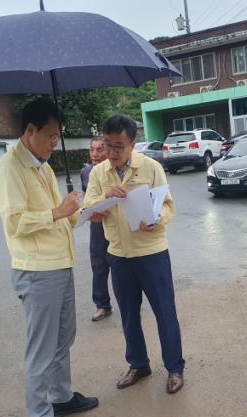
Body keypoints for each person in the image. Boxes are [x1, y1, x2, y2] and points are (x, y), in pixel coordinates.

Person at [0, 98, 98, 417]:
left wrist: (84, 210)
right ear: (29, 130)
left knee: (64, 337)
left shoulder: (44, 168)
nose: (54, 142)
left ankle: (61, 397)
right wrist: (57, 212)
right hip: (36, 272)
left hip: (60, 264)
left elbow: (63, 216)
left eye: (57, 136)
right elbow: (15, 223)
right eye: (50, 135)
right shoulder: (10, 169)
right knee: (41, 348)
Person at [83, 114, 185, 394]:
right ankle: (138, 365)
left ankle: (175, 368)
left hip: (151, 252)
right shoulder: (98, 173)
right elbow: (88, 207)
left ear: (132, 144)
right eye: (108, 145)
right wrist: (103, 200)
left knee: (165, 312)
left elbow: (168, 205)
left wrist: (156, 219)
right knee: (128, 315)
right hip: (118, 254)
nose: (112, 152)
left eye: (118, 146)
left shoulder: (150, 167)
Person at [79, 136, 113, 322]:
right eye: (92, 149)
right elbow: (86, 198)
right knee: (98, 265)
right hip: (98, 225)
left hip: (117, 223)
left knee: (123, 263)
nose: (95, 154)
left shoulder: (115, 169)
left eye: (100, 149)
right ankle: (102, 305)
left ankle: (130, 301)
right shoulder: (86, 172)